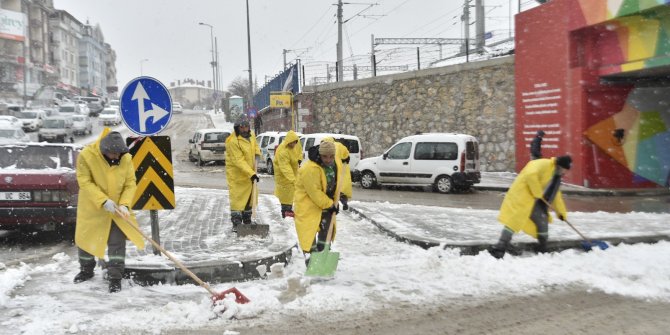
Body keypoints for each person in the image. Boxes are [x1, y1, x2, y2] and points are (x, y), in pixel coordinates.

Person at [73, 130, 146, 293]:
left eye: (119, 154)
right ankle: (86, 270)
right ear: (104, 150)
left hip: (118, 210)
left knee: (117, 242)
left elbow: (130, 183)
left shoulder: (125, 158)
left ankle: (115, 277)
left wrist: (125, 204)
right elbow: (84, 181)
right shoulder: (87, 156)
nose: (117, 157)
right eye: (114, 154)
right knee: (86, 240)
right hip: (93, 207)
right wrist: (103, 200)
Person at [488, 155, 572, 259]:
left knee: (542, 220)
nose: (565, 173)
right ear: (561, 166)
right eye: (565, 170)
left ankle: (542, 248)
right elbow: (530, 174)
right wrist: (537, 192)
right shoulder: (544, 164)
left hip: (534, 200)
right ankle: (500, 246)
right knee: (514, 221)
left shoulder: (556, 177)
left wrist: (561, 213)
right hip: (521, 195)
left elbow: (556, 196)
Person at [294, 141, 340, 264]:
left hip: (325, 205)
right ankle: (311, 261)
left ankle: (323, 258)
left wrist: (338, 200)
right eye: (325, 156)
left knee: (326, 235)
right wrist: (330, 204)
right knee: (308, 236)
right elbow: (314, 192)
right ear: (320, 154)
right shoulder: (310, 168)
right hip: (308, 206)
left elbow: (336, 184)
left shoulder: (334, 165)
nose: (328, 159)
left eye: (331, 156)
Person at [225, 119, 261, 232]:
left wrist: (257, 154)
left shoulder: (251, 135)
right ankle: (236, 224)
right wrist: (252, 174)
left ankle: (247, 222)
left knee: (249, 200)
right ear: (237, 127)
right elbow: (238, 161)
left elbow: (255, 146)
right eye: (242, 127)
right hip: (238, 176)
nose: (245, 129)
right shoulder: (233, 142)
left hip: (250, 174)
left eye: (246, 126)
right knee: (237, 200)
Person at [273, 130, 301, 218]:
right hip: (283, 175)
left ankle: (287, 210)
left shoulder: (294, 146)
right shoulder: (283, 151)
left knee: (290, 193)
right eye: (292, 143)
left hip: (291, 173)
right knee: (285, 193)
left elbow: (299, 151)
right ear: (288, 141)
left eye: (295, 143)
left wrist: (299, 159)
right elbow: (285, 168)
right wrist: (293, 179)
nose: (293, 145)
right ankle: (285, 212)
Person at [322, 137, 353, 210]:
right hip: (337, 168)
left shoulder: (322, 147)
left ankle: (333, 205)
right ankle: (340, 203)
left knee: (330, 189)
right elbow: (346, 153)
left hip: (327, 169)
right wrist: (346, 158)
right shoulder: (338, 145)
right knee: (339, 189)